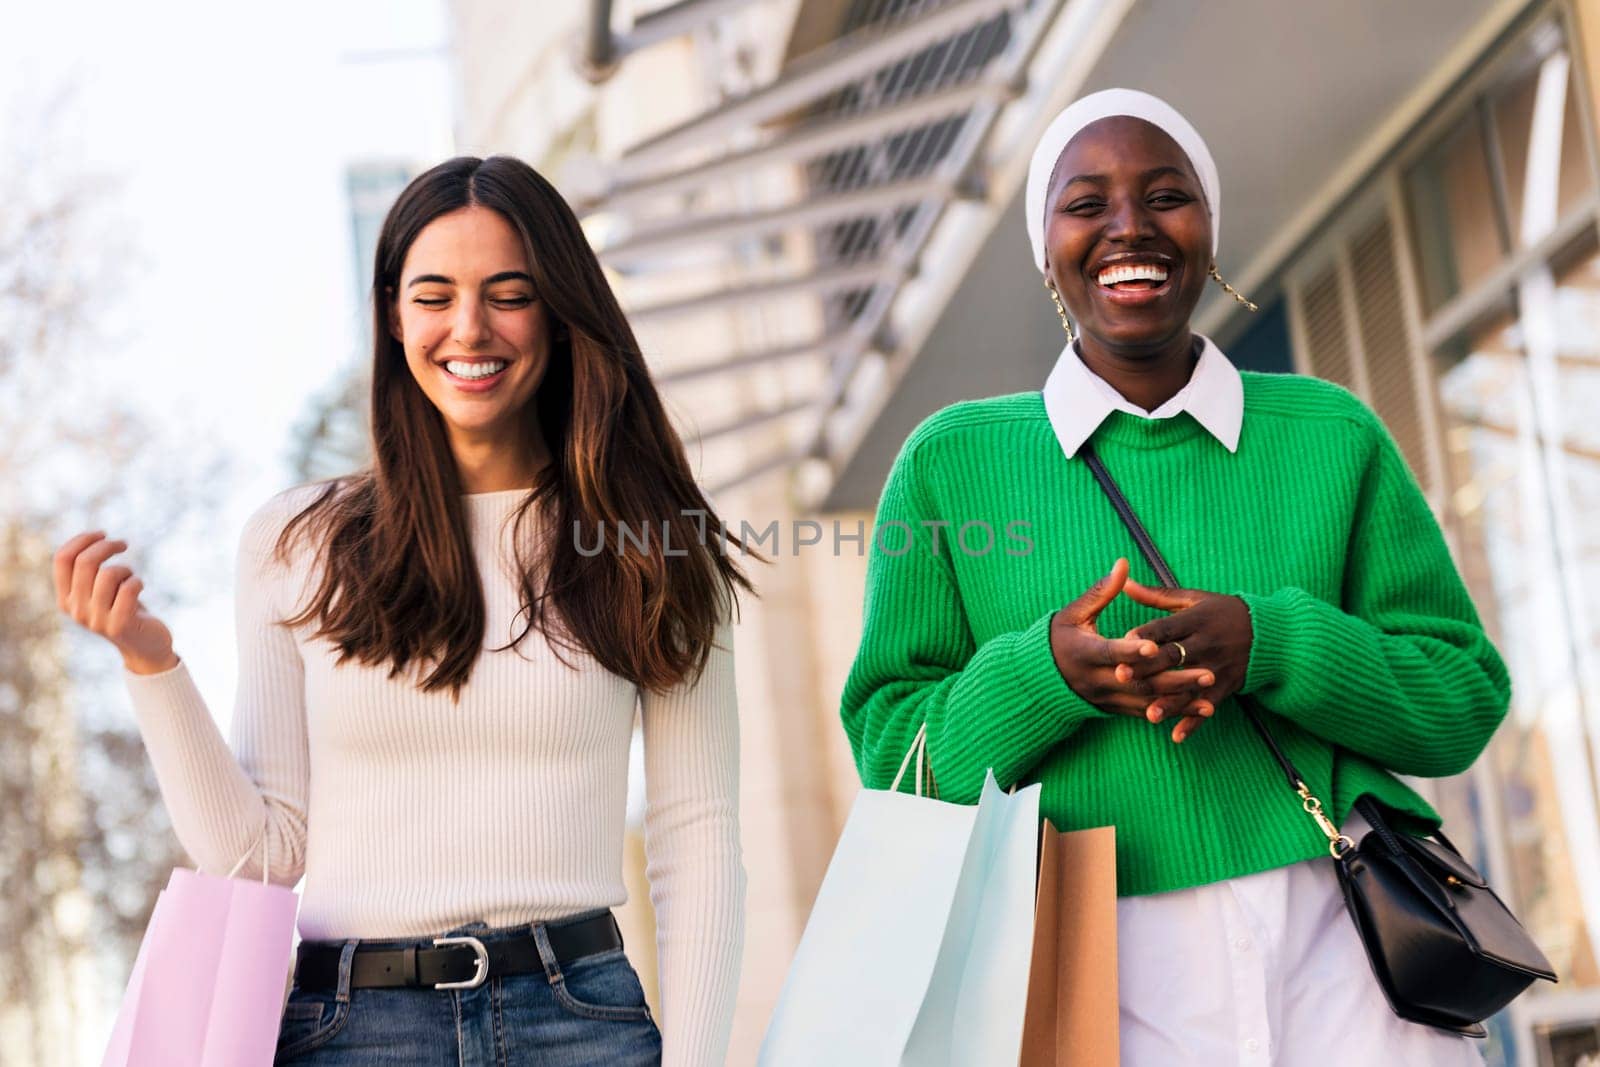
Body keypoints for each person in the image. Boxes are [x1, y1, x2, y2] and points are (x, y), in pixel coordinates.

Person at [839, 89, 1509, 1064]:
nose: (1128, 227)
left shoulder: (1330, 434)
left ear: (1208, 227)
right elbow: (893, 758)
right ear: (1044, 246)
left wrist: (1271, 642)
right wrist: (1046, 678)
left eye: (1165, 195)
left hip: (1350, 936)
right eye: (1085, 202)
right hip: (1089, 964)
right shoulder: (948, 463)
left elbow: (1461, 700)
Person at [55, 155, 748, 1067]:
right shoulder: (297, 544)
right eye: (434, 295)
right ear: (392, 312)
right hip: (349, 1031)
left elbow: (697, 838)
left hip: (578, 1022)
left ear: (561, 310)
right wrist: (151, 664)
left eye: (509, 293)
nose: (470, 327)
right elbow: (263, 857)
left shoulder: (650, 544)